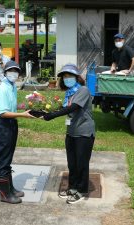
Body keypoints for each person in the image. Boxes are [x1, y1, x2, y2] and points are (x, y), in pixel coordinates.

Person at [43, 63, 95, 204]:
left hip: (84, 133)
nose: (67, 78)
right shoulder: (70, 92)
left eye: (69, 76)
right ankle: (73, 187)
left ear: (76, 77)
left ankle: (82, 190)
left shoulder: (83, 90)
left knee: (81, 163)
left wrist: (53, 115)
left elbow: (73, 107)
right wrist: (44, 110)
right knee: (72, 163)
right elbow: (64, 107)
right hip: (71, 132)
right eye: (64, 76)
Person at [0, 60, 34, 204]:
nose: (14, 73)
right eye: (10, 71)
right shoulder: (3, 88)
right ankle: (4, 194)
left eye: (16, 71)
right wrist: (23, 115)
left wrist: (29, 104)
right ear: (5, 73)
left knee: (8, 157)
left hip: (12, 124)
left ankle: (10, 188)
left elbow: (12, 106)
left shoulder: (12, 86)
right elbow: (3, 113)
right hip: (4, 126)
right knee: (3, 160)